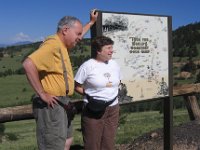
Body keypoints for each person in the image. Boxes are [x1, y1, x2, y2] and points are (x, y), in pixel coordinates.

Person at [22, 9, 98, 150]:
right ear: (65, 30)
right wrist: (42, 94)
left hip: (62, 103)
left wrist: (92, 22)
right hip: (52, 105)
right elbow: (28, 64)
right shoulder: (53, 44)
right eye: (78, 34)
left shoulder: (62, 46)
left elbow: (80, 33)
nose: (80, 38)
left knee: (66, 141)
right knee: (53, 145)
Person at [74, 36, 121, 150]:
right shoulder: (88, 66)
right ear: (99, 51)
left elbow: (118, 81)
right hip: (93, 109)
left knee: (109, 142)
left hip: (113, 107)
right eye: (108, 48)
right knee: (92, 143)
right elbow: (76, 86)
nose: (111, 50)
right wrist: (92, 96)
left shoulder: (114, 64)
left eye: (112, 47)